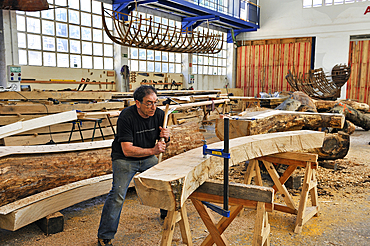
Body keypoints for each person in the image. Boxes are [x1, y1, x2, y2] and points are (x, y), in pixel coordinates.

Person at [97, 85, 170, 246]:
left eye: (155, 102)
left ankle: (166, 214)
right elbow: (127, 150)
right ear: (137, 103)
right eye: (148, 103)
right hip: (124, 159)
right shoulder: (126, 117)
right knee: (117, 194)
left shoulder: (159, 114)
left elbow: (162, 142)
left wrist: (166, 137)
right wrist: (153, 150)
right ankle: (105, 236)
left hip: (147, 156)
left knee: (164, 182)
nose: (153, 107)